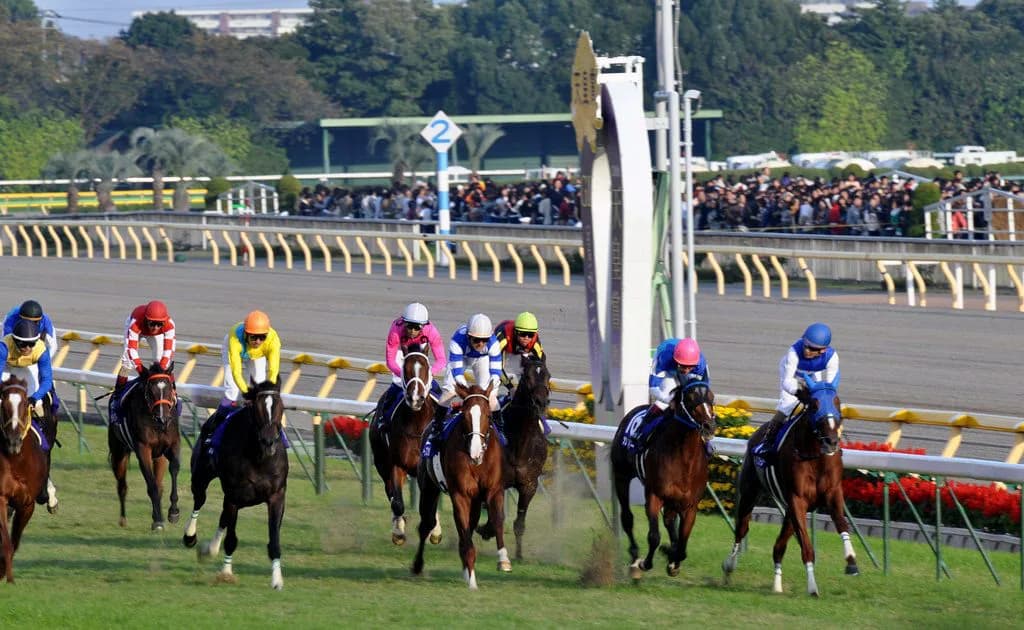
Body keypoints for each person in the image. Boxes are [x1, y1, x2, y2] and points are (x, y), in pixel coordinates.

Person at [425, 313, 502, 453]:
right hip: (461, 358)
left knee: (490, 397)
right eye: (476, 340)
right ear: (468, 336)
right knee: (449, 392)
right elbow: (458, 374)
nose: (480, 344)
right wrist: (469, 394)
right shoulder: (457, 341)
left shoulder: (494, 343)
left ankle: (499, 430)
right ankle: (436, 428)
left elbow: (496, 373)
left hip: (482, 359)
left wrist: (488, 390)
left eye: (484, 340)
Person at [1, 319, 58, 505]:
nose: (27, 348)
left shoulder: (40, 349)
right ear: (15, 341)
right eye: (22, 344)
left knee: (46, 415)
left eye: (30, 344)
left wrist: (35, 397)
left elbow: (47, 380)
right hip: (7, 378)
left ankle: (45, 471)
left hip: (30, 380)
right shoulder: (4, 347)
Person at [203, 310, 281, 441]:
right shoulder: (235, 338)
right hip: (233, 350)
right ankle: (212, 431)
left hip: (258, 355)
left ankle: (278, 435)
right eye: (254, 337)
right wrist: (248, 394)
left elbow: (274, 371)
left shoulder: (273, 341)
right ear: (246, 334)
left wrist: (267, 392)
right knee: (232, 392)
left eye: (262, 337)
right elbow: (236, 373)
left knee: (261, 392)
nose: (258, 341)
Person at [762, 322, 839, 448]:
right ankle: (767, 442)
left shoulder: (832, 357)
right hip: (793, 376)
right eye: (805, 345)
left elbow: (830, 388)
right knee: (786, 406)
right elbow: (787, 381)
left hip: (813, 374)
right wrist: (799, 393)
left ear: (822, 350)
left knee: (824, 407)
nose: (807, 351)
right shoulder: (793, 351)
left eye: (812, 349)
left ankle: (830, 438)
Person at [377, 302, 446, 425]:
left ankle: (444, 420)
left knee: (439, 394)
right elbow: (391, 361)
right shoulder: (396, 330)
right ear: (404, 323)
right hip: (403, 355)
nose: (412, 331)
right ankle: (383, 420)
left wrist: (427, 375)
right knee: (396, 387)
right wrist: (404, 374)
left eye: (417, 327)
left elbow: (441, 360)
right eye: (409, 327)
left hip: (421, 357)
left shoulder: (431, 332)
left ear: (423, 326)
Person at [110, 300, 177, 421]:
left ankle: (174, 393)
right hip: (137, 329)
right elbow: (131, 350)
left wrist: (161, 370)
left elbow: (168, 352)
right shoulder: (135, 323)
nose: (155, 327)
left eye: (159, 324)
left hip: (152, 333)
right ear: (146, 320)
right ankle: (117, 397)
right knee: (127, 362)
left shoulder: (170, 325)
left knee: (163, 363)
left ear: (164, 322)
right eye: (152, 323)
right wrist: (141, 370)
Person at [644, 337, 710, 427]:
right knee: (663, 400)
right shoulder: (664, 358)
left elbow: (704, 391)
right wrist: (669, 400)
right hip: (668, 370)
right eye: (683, 366)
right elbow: (653, 388)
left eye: (690, 366)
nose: (686, 370)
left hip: (684, 368)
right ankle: (643, 425)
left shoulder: (700, 364)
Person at [492, 311, 545, 399]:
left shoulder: (535, 342)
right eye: (523, 334)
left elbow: (541, 364)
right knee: (495, 378)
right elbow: (497, 368)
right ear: (516, 332)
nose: (526, 338)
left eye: (530, 335)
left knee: (525, 373)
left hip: (516, 349)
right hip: (502, 346)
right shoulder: (502, 340)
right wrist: (511, 388)